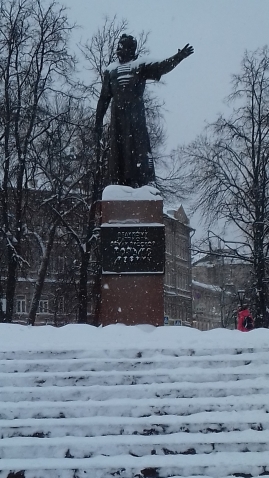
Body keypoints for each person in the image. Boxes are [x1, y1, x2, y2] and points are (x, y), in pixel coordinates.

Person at [95, 34, 194, 188]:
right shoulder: (111, 71)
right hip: (118, 119)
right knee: (117, 149)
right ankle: (118, 182)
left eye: (122, 46)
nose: (119, 49)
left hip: (136, 118)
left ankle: (140, 181)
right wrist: (98, 123)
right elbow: (103, 99)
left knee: (138, 148)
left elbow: (162, 66)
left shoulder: (140, 66)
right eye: (118, 46)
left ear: (130, 49)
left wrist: (178, 57)